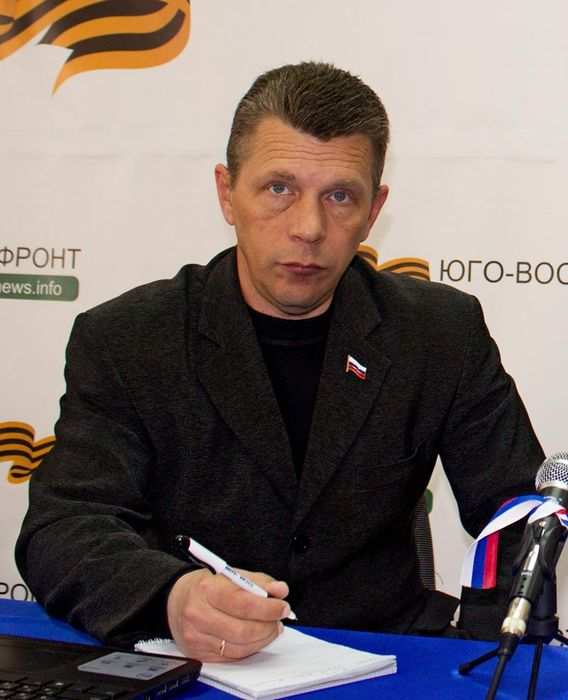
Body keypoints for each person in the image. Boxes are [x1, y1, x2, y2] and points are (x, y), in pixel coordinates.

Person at [16, 61, 543, 663]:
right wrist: (171, 597)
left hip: (385, 654)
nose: (309, 228)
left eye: (340, 196)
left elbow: (524, 514)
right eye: (278, 189)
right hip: (196, 661)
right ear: (227, 193)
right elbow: (64, 526)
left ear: (374, 210)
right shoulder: (129, 339)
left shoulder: (440, 332)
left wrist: (488, 645)